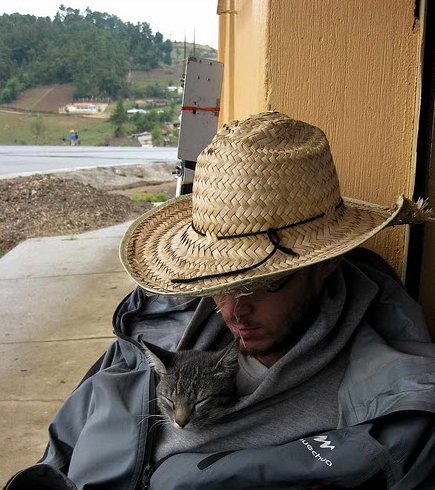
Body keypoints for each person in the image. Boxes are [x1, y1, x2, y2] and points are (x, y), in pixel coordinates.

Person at [5, 111, 435, 489]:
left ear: (325, 263)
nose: (233, 311)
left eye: (264, 283)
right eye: (218, 282)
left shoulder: (387, 407)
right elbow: (69, 437)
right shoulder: (158, 323)